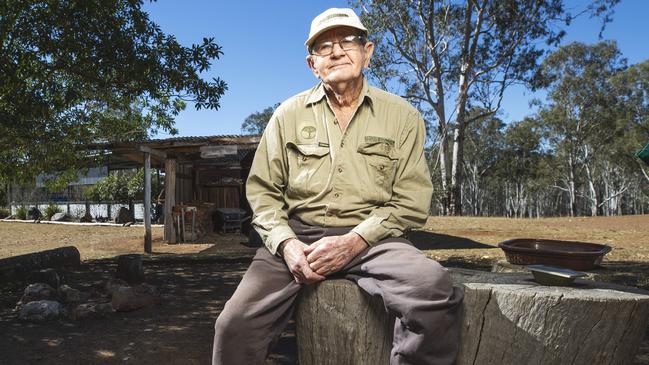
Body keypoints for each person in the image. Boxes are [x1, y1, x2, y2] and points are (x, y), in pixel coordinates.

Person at [213, 8, 463, 365]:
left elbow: (410, 201)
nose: (336, 51)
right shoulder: (288, 114)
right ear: (312, 63)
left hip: (375, 237)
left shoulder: (403, 116)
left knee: (433, 289)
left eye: (348, 40)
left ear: (368, 51)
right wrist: (286, 246)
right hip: (297, 236)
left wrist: (354, 241)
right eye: (324, 46)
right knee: (233, 325)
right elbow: (263, 193)